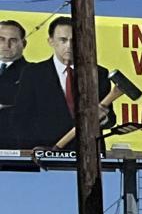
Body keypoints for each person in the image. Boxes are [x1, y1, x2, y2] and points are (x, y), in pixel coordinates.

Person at [12, 16, 111, 149]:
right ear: (51, 41)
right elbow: (21, 118)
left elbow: (111, 120)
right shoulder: (33, 73)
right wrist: (32, 150)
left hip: (89, 154)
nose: (69, 45)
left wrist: (103, 118)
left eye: (74, 40)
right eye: (63, 40)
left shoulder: (99, 74)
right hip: (45, 152)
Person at [0, 19, 27, 149]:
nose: (6, 45)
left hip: (16, 150)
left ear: (24, 44)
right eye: (1, 39)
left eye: (13, 40)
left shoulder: (35, 72)